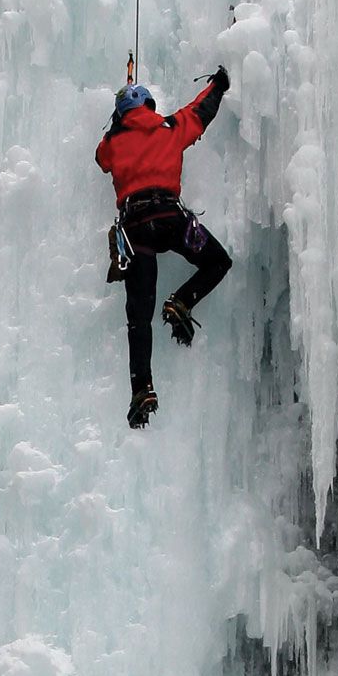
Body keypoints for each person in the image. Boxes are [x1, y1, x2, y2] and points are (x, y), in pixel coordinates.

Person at [95, 66, 233, 429]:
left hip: (136, 229)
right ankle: (183, 301)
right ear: (150, 106)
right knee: (217, 262)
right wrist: (219, 83)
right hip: (172, 219)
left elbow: (102, 158)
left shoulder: (114, 141)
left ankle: (143, 390)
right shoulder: (170, 127)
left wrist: (118, 128)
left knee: (139, 318)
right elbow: (201, 112)